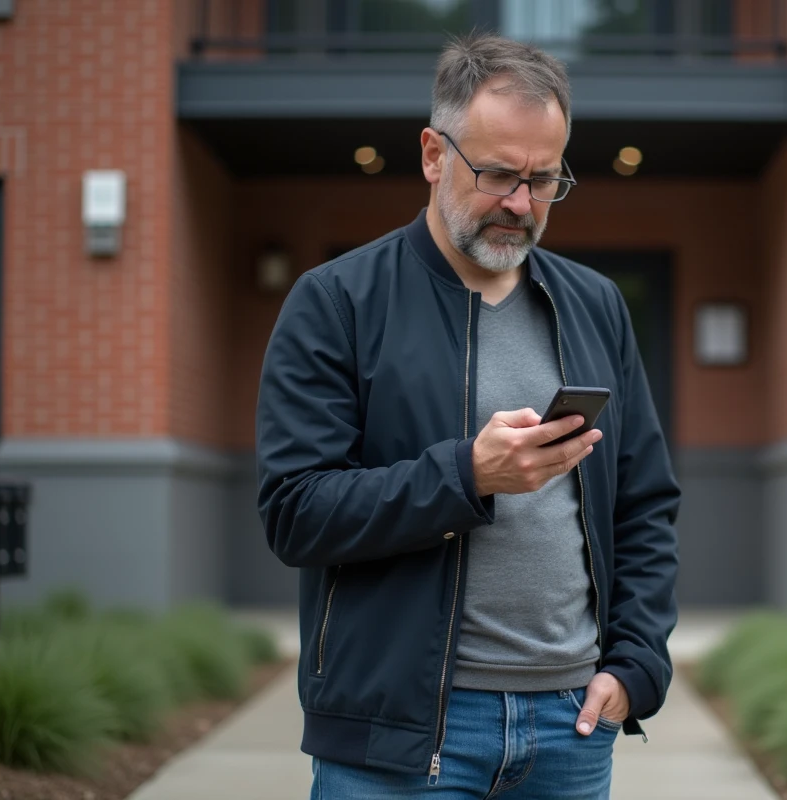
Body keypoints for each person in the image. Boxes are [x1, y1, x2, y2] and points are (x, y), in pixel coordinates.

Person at [255, 31, 681, 799]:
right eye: (497, 175)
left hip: (572, 731)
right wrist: (467, 475)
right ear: (432, 154)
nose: (520, 203)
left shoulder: (596, 305)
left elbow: (645, 503)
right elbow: (295, 511)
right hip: (402, 737)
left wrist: (636, 666)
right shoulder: (337, 302)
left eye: (543, 180)